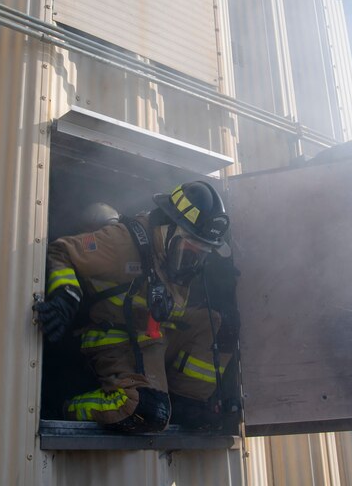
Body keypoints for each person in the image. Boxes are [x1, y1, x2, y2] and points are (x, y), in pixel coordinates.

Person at [33, 180, 233, 432]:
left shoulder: (177, 261)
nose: (194, 259)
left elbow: (172, 312)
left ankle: (184, 403)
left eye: (202, 252)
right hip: (114, 341)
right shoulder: (123, 243)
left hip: (151, 337)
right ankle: (65, 405)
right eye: (191, 247)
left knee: (221, 328)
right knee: (147, 412)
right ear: (168, 228)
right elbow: (62, 251)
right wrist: (66, 295)